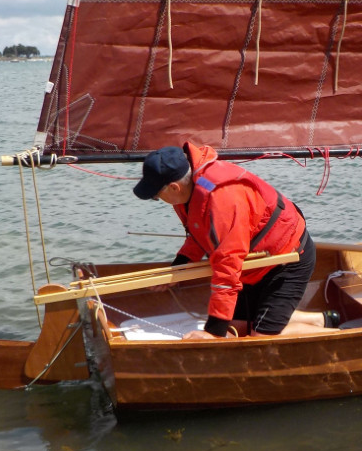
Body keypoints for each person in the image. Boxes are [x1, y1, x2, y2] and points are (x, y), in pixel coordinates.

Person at [134, 142, 333, 339]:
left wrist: (212, 334)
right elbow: (199, 233)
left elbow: (227, 269)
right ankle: (320, 320)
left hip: (286, 260)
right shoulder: (189, 192)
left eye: (157, 196)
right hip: (253, 264)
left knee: (260, 338)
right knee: (236, 329)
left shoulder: (223, 202)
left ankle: (348, 333)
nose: (158, 200)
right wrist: (179, 268)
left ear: (174, 187)